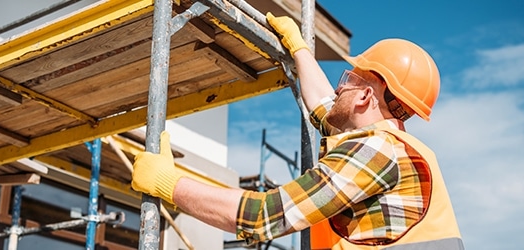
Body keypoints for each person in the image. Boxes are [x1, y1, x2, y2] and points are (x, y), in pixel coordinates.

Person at [132, 12, 464, 250]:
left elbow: (263, 217)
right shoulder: (391, 146)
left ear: (365, 96)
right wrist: (299, 48)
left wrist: (169, 183)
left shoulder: (377, 150)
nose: (338, 88)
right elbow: (324, 107)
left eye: (348, 80)